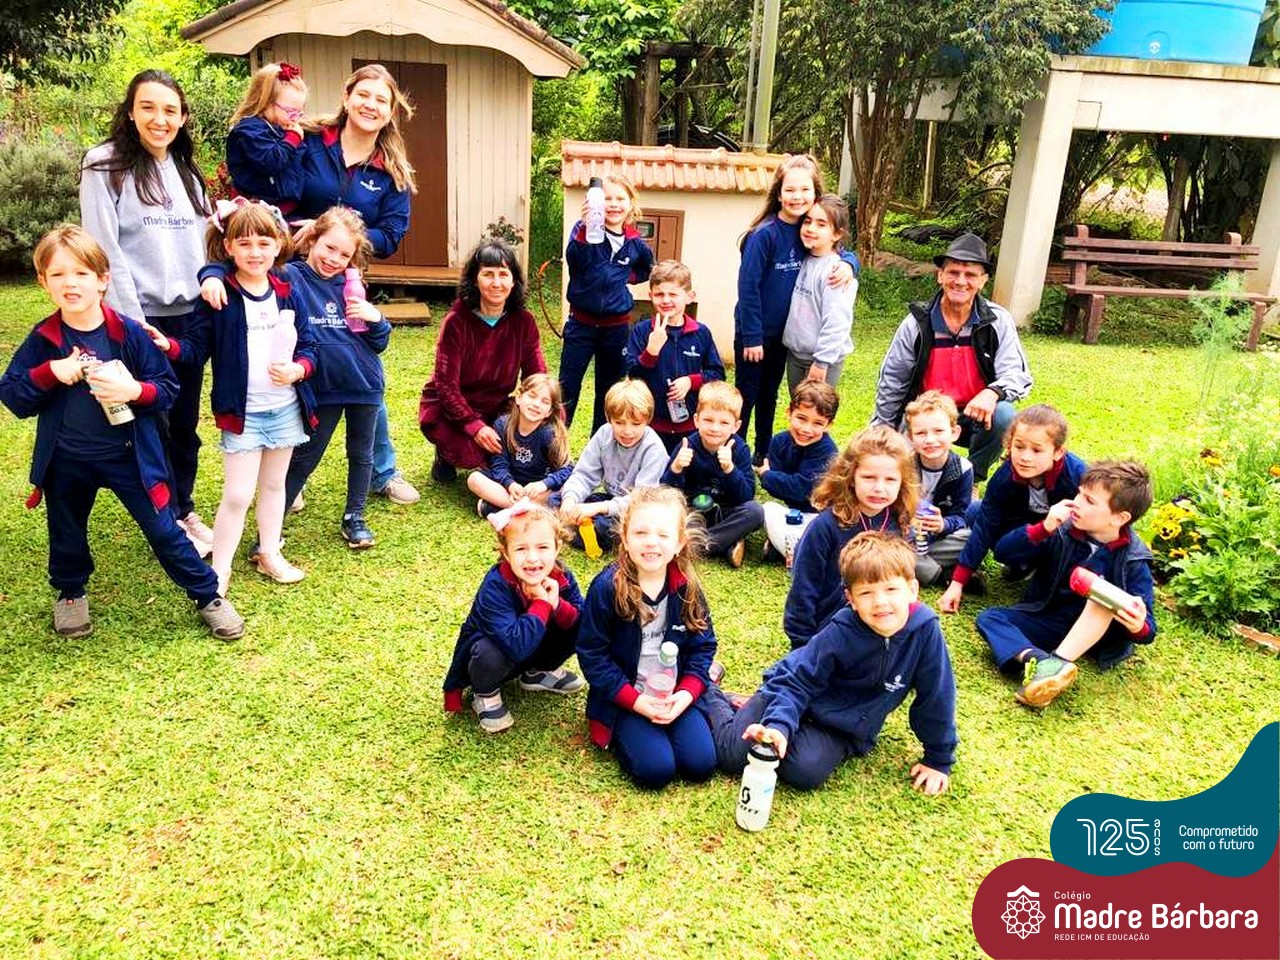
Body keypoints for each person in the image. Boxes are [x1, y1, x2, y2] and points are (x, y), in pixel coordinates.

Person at [0, 227, 243, 640]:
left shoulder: (127, 333)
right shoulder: (45, 339)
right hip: (67, 458)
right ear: (43, 282)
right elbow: (13, 396)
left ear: (102, 279)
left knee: (164, 529)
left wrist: (133, 391)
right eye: (58, 274)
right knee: (66, 530)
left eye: (81, 273)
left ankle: (208, 595)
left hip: (130, 456)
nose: (70, 283)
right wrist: (51, 372)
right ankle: (71, 592)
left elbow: (167, 388)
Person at [145, 201, 316, 595]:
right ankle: (218, 571)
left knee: (274, 486)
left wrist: (299, 369)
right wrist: (168, 345)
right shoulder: (220, 295)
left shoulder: (288, 291)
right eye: (245, 243)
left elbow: (309, 346)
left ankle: (269, 553)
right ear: (228, 247)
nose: (255, 252)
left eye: (264, 243)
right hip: (243, 413)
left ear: (278, 245)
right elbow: (194, 348)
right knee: (237, 495)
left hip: (285, 408)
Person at [700, 532, 956, 793]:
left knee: (804, 771)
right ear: (851, 599)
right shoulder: (841, 630)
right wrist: (778, 727)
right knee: (732, 755)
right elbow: (798, 681)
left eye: (891, 589)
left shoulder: (925, 632)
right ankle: (707, 686)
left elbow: (937, 696)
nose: (880, 602)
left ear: (912, 590)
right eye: (866, 592)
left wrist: (938, 759)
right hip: (791, 693)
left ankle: (746, 707)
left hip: (841, 727)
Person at [79, 69, 215, 556]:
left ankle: (183, 507)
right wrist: (133, 325)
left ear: (183, 118)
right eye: (149, 108)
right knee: (149, 421)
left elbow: (205, 241)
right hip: (141, 318)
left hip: (190, 319)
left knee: (183, 422)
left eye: (170, 110)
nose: (160, 119)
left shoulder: (186, 172)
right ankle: (167, 515)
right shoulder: (104, 165)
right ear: (131, 112)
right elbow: (103, 248)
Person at [293, 63, 419, 506]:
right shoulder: (307, 142)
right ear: (347, 97)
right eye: (363, 94)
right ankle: (289, 473)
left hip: (346, 282)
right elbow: (275, 193)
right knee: (292, 365)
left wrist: (345, 237)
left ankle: (382, 470)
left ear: (391, 112)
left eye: (381, 100)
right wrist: (299, 229)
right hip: (293, 273)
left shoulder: (392, 171)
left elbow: (392, 234)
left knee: (360, 369)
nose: (371, 105)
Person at [976, 461, 1157, 708]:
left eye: (1089, 501)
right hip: (1051, 617)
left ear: (1119, 518)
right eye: (1079, 493)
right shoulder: (1063, 529)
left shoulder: (1133, 559)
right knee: (990, 618)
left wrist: (1137, 625)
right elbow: (1003, 553)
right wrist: (1043, 528)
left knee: (1102, 594)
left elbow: (1148, 630)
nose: (1077, 503)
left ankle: (1057, 662)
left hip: (1097, 637)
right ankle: (1041, 661)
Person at [575, 486, 718, 789]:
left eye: (663, 535)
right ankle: (621, 731)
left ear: (679, 543)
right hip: (626, 698)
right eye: (641, 533)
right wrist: (637, 702)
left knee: (701, 764)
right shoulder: (607, 588)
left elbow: (703, 646)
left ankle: (700, 701)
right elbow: (592, 656)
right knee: (657, 771)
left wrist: (686, 694)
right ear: (625, 538)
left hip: (673, 693)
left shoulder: (687, 587)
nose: (652, 542)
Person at [870, 232, 1032, 481]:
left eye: (970, 275)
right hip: (924, 413)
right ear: (940, 276)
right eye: (953, 272)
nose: (960, 281)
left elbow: (1018, 374)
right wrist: (882, 430)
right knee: (905, 479)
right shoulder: (916, 323)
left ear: (983, 281)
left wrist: (992, 393)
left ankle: (971, 477)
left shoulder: (997, 321)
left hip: (975, 414)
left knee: (1004, 416)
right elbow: (892, 380)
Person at [277, 206, 389, 550]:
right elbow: (257, 258)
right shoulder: (291, 276)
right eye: (329, 247)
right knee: (305, 456)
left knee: (362, 454)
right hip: (322, 387)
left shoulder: (352, 284)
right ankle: (272, 524)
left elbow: (378, 343)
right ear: (312, 239)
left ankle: (355, 517)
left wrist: (376, 318)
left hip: (363, 384)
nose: (334, 259)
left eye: (344, 254)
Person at [735, 154, 858, 465]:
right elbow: (748, 288)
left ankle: (763, 451)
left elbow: (836, 250)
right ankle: (736, 452)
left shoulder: (807, 230)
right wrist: (752, 337)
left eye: (805, 190)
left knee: (770, 395)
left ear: (815, 193)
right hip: (755, 336)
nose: (797, 197)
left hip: (783, 338)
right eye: (790, 190)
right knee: (747, 395)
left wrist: (850, 263)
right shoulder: (764, 234)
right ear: (779, 193)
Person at [444, 501, 585, 733]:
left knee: (581, 623)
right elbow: (515, 645)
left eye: (543, 547)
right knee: (488, 651)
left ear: (557, 547)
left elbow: (583, 621)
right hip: (500, 657)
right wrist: (541, 603)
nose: (532, 558)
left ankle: (538, 672)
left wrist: (557, 605)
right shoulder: (496, 586)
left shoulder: (561, 575)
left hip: (530, 649)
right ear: (506, 554)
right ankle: (485, 693)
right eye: (521, 549)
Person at [938, 404, 1087, 614]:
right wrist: (957, 583)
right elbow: (984, 529)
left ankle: (1047, 570)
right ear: (1009, 445)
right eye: (1019, 447)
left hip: (1064, 537)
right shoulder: (1004, 477)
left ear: (1058, 452)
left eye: (1037, 450)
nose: (1025, 457)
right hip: (1029, 529)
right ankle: (1023, 564)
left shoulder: (1078, 476)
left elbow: (1101, 519)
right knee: (976, 512)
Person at [418, 240, 546, 481]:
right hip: (452, 406)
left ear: (514, 281)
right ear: (475, 280)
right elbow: (446, 386)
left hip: (497, 406)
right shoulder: (456, 321)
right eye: (488, 274)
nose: (496, 283)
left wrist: (547, 409)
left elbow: (537, 376)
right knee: (474, 457)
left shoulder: (524, 321)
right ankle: (445, 455)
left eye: (503, 274)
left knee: (517, 442)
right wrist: (475, 427)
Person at [784, 424, 917, 650]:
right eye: (869, 477)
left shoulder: (902, 525)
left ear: (902, 483)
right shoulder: (825, 527)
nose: (879, 488)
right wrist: (803, 645)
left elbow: (904, 589)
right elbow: (803, 589)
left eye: (890, 480)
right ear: (851, 477)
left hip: (882, 632)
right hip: (829, 635)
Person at [561, 174, 654, 431]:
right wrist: (585, 225)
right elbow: (574, 261)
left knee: (610, 390)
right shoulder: (583, 231)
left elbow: (648, 268)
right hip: (581, 325)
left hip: (616, 328)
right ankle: (555, 445)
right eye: (607, 199)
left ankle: (601, 445)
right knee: (567, 387)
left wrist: (624, 277)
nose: (613, 204)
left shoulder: (635, 242)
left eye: (620, 198)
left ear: (631, 203)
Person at [623, 259, 724, 451]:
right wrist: (651, 352)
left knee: (684, 467)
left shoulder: (701, 333)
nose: (666, 300)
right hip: (651, 425)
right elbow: (632, 375)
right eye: (659, 294)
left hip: (691, 427)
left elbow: (717, 375)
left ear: (689, 297)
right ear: (650, 296)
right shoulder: (642, 331)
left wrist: (691, 381)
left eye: (673, 294)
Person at [661, 381, 763, 568]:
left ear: (736, 426)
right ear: (696, 420)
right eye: (708, 420)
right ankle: (728, 543)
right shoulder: (686, 446)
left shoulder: (739, 449)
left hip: (727, 512)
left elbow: (746, 496)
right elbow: (665, 493)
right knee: (678, 518)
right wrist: (676, 468)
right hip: (695, 512)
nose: (715, 428)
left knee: (755, 512)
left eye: (724, 423)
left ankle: (694, 546)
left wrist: (730, 469)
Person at [558, 379, 668, 552]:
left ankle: (572, 529)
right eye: (619, 423)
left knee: (608, 527)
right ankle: (574, 525)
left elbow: (640, 500)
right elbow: (583, 475)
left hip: (641, 509)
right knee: (557, 499)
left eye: (636, 424)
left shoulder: (653, 448)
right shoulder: (604, 434)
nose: (627, 431)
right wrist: (569, 500)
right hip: (611, 499)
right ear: (609, 418)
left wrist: (597, 508)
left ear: (648, 420)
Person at [756, 380, 840, 567]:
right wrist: (777, 481)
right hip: (795, 513)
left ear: (828, 425)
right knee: (767, 509)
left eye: (818, 423)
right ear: (789, 413)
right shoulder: (779, 441)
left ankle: (795, 552)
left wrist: (767, 476)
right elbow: (779, 489)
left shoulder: (827, 451)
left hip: (823, 516)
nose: (806, 429)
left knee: (826, 529)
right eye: (801, 418)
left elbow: (802, 488)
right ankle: (791, 547)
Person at [467, 373, 573, 517]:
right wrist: (509, 484)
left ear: (549, 412)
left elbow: (567, 469)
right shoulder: (502, 425)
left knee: (566, 489)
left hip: (538, 490)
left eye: (545, 402)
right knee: (474, 479)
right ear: (518, 397)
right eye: (532, 396)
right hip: (510, 487)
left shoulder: (549, 433)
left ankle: (499, 508)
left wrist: (544, 484)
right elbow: (499, 463)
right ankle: (533, 510)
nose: (536, 404)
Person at [781, 193, 856, 396]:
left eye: (821, 224)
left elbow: (837, 322)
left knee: (815, 411)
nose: (811, 228)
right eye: (807, 221)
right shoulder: (802, 258)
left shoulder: (836, 272)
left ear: (837, 234)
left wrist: (822, 362)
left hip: (823, 360)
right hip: (796, 355)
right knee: (798, 408)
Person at [904, 391, 973, 587]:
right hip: (906, 536)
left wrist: (942, 524)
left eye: (938, 431)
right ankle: (942, 575)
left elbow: (961, 516)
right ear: (910, 437)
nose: (930, 440)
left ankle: (913, 564)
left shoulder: (963, 469)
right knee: (889, 545)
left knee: (972, 538)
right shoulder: (903, 465)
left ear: (954, 433)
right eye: (921, 433)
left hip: (939, 538)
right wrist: (907, 520)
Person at [225, 62, 308, 212]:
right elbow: (271, 162)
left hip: (284, 208)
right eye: (290, 112)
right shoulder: (249, 131)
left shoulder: (280, 127)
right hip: (254, 210)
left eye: (299, 113)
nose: (295, 119)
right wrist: (293, 138)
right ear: (267, 103)